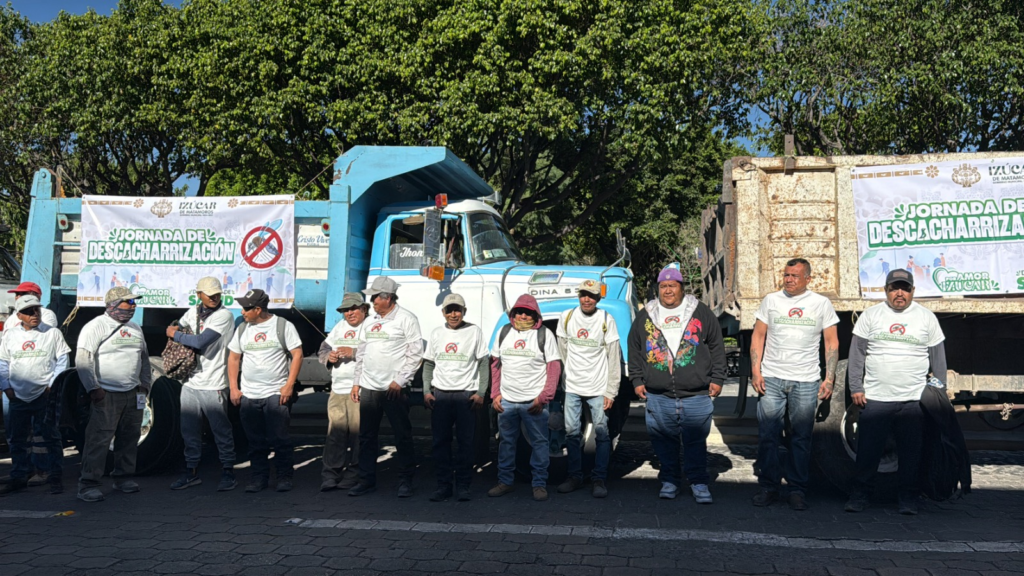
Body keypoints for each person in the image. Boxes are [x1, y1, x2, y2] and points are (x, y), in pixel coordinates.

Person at [845, 269, 946, 515]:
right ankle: (860, 496)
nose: (899, 293)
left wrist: (937, 392)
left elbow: (938, 359)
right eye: (894, 288)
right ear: (886, 290)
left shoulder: (926, 318)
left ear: (913, 291)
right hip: (876, 399)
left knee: (911, 455)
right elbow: (856, 355)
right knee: (868, 453)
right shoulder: (871, 315)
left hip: (913, 401)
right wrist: (856, 387)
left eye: (905, 288)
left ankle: (908, 499)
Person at [627, 264, 726, 503]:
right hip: (658, 394)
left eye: (672, 286)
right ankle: (670, 480)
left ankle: (699, 482)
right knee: (663, 441)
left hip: (696, 393)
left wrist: (718, 378)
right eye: (663, 286)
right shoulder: (646, 315)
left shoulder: (700, 312)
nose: (668, 290)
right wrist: (637, 379)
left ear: (681, 288)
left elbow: (716, 345)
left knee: (695, 442)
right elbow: (635, 348)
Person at [749, 258, 839, 510]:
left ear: (808, 279)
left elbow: (831, 342)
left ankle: (797, 490)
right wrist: (756, 371)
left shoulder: (821, 303)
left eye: (795, 276)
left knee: (801, 438)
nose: (788, 279)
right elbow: (758, 335)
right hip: (772, 378)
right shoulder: (771, 301)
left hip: (806, 380)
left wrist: (830, 377)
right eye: (786, 275)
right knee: (768, 435)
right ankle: (769, 487)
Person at [75, 287, 151, 502]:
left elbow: (144, 358)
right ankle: (88, 484)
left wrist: (145, 385)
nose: (133, 306)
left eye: (134, 302)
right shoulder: (96, 326)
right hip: (106, 393)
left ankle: (123, 478)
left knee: (129, 437)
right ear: (113, 305)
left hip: (133, 393)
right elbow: (83, 359)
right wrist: (94, 389)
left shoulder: (135, 328)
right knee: (99, 440)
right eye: (128, 302)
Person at [349, 277, 422, 498]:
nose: (372, 301)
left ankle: (406, 480)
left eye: (375, 297)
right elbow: (362, 353)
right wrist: (356, 382)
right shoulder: (369, 321)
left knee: (402, 435)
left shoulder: (407, 319)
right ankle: (366, 480)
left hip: (394, 390)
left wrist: (400, 381)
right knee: (366, 436)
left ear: (388, 298)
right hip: (369, 387)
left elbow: (415, 353)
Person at [227, 289, 303, 493]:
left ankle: (284, 477)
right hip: (249, 395)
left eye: (246, 308)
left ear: (258, 309)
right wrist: (234, 388)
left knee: (280, 440)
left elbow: (297, 354)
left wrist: (289, 385)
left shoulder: (282, 326)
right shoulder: (242, 328)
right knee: (255, 442)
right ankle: (258, 478)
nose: (242, 312)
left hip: (275, 394)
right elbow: (233, 358)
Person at [166, 277, 237, 491]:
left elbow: (200, 341)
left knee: (220, 430)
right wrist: (177, 332)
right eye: (209, 294)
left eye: (217, 293)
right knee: (189, 430)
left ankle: (228, 471)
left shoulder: (224, 315)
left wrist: (175, 334)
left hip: (214, 381)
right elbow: (178, 326)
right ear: (199, 295)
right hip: (190, 381)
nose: (214, 297)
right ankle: (191, 471)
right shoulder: (193, 312)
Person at [487, 294, 561, 502]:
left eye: (528, 313)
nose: (523, 316)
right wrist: (495, 394)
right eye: (519, 312)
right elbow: (495, 365)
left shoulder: (544, 334)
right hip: (507, 401)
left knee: (539, 443)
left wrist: (544, 397)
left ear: (535, 314)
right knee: (506, 443)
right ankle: (505, 482)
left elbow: (554, 367)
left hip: (533, 402)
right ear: (513, 313)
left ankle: (539, 484)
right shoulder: (504, 332)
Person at [555, 280, 621, 499]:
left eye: (591, 295)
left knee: (602, 434)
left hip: (598, 387)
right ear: (578, 296)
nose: (587, 299)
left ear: (598, 298)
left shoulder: (606, 319)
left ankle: (599, 478)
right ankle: (574, 476)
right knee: (572, 434)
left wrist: (611, 390)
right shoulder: (567, 317)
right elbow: (562, 353)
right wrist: (565, 381)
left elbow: (614, 357)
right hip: (572, 387)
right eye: (583, 294)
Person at [422, 293, 489, 502]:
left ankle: (463, 486)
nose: (453, 314)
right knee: (440, 443)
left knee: (466, 443)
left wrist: (481, 392)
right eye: (449, 310)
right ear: (443, 312)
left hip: (466, 395)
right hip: (440, 395)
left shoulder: (474, 332)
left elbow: (483, 362)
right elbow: (429, 364)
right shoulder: (436, 333)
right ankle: (443, 486)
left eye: (457, 310)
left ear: (464, 312)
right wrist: (426, 391)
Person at [0, 295, 70, 495]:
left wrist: (51, 386)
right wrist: (7, 388)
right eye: (28, 311)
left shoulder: (52, 333)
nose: (34, 314)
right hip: (17, 395)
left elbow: (62, 360)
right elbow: (3, 363)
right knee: (17, 438)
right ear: (19, 315)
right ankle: (19, 475)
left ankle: (54, 476)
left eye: (36, 310)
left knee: (50, 436)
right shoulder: (11, 335)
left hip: (43, 395)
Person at [317, 292, 369, 492]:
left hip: (360, 389)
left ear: (364, 309)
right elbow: (323, 349)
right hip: (338, 389)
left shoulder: (371, 327)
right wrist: (328, 357)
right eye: (345, 310)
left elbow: (378, 353)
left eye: (354, 308)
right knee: (335, 435)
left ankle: (354, 475)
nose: (349, 313)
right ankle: (330, 475)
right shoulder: (339, 327)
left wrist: (353, 352)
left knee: (358, 435)